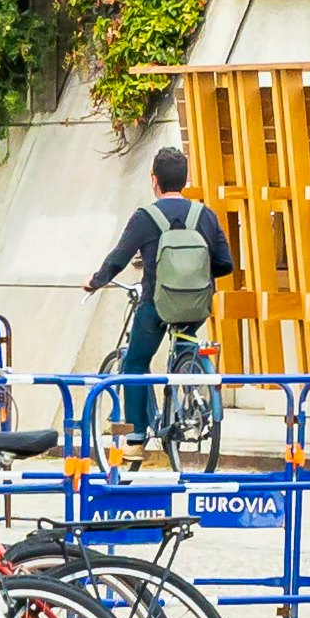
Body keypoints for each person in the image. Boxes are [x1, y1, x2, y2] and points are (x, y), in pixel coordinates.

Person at [87, 147, 233, 443]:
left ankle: (136, 437)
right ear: (185, 179)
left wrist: (96, 281)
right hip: (195, 306)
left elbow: (119, 257)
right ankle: (185, 403)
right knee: (182, 348)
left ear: (154, 180)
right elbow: (225, 264)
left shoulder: (145, 217)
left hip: (156, 304)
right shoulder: (204, 215)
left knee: (136, 363)